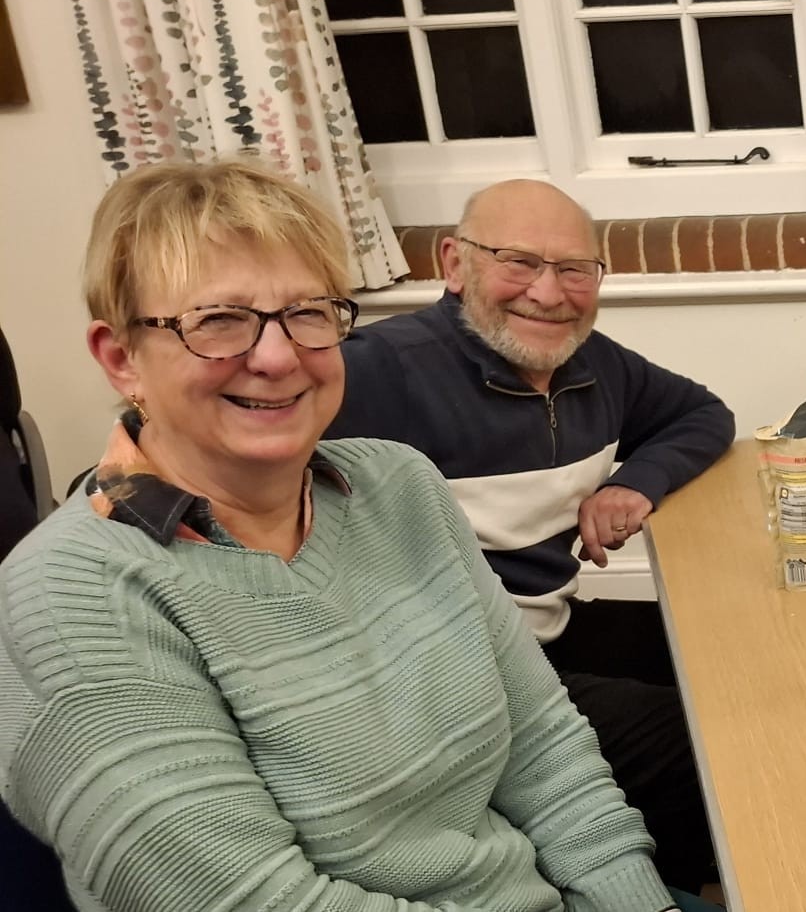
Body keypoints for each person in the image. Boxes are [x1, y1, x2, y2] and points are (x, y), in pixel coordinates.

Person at [0, 159, 684, 910]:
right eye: (218, 320)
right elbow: (248, 900)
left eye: (307, 313)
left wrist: (634, 898)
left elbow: (544, 745)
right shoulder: (71, 595)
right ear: (121, 358)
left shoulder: (398, 484)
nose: (276, 356)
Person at [326, 179, 734, 893]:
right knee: (699, 737)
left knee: (723, 660)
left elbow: (702, 415)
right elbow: (240, 445)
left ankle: (668, 874)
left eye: (575, 269)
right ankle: (643, 890)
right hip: (458, 684)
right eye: (517, 262)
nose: (548, 293)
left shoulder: (595, 364)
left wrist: (636, 482)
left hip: (546, 628)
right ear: (454, 264)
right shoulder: (378, 369)